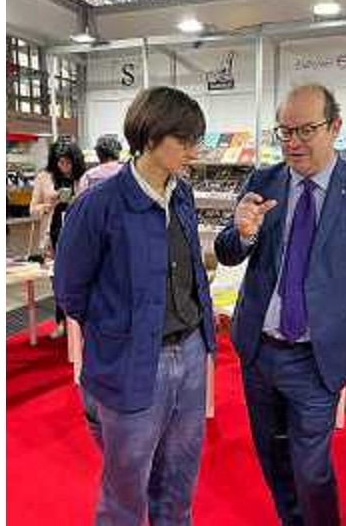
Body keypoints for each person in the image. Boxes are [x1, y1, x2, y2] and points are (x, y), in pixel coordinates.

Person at [214, 84, 346, 526]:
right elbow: (228, 252)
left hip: (318, 357)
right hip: (258, 351)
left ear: (335, 127)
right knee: (272, 458)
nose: (293, 142)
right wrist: (243, 233)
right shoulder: (263, 181)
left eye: (306, 130)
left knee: (311, 469)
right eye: (285, 131)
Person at [54, 86, 216, 526]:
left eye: (196, 140)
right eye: (184, 140)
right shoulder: (98, 205)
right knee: (125, 493)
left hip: (192, 351)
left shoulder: (182, 195)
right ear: (150, 136)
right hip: (132, 360)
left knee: (179, 484)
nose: (193, 150)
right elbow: (70, 291)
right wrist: (119, 331)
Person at [30, 136, 86, 339]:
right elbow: (32, 210)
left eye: (68, 162)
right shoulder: (44, 177)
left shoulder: (82, 178)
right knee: (58, 284)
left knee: (80, 282)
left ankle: (79, 324)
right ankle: (61, 322)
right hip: (52, 238)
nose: (64, 166)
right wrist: (49, 204)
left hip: (79, 238)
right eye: (60, 162)